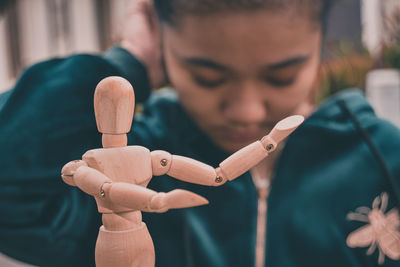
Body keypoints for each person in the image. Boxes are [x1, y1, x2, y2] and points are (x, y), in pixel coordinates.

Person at [1, 0, 400, 266]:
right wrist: (130, 61)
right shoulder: (131, 164)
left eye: (282, 77)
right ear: (160, 39)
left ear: (320, 40)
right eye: (207, 77)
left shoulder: (385, 159)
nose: (247, 110)